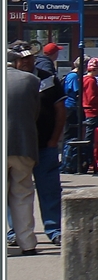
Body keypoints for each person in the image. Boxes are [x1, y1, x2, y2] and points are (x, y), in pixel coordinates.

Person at [7, 44, 42, 255]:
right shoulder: (32, 81)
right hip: (23, 144)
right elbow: (34, 113)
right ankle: (27, 243)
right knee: (23, 193)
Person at [81, 57, 98, 172]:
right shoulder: (90, 81)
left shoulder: (85, 79)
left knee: (90, 138)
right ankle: (88, 160)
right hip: (93, 112)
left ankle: (88, 159)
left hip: (91, 112)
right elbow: (91, 99)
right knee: (91, 139)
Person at [61, 56, 82, 173]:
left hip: (70, 107)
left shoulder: (72, 75)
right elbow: (77, 92)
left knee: (71, 135)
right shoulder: (74, 76)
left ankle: (68, 161)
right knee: (70, 135)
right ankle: (67, 162)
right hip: (71, 107)